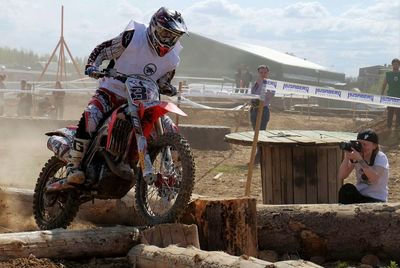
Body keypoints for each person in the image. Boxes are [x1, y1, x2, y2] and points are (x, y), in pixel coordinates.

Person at [48, 7, 187, 190]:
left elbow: (163, 80)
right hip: (112, 90)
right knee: (92, 115)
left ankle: (176, 178)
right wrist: (92, 66)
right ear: (154, 27)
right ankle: (74, 166)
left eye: (172, 36)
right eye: (164, 33)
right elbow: (103, 50)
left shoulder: (173, 58)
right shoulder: (133, 36)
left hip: (145, 99)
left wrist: (167, 87)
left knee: (170, 128)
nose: (167, 39)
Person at [338, 129, 389, 204]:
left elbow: (374, 179)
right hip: (361, 195)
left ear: (374, 146)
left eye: (365, 144)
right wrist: (347, 157)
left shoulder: (380, 157)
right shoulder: (358, 155)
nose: (362, 147)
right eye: (360, 144)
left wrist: (360, 159)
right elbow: (341, 176)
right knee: (346, 189)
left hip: (376, 198)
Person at [249, 65, 275, 164]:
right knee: (255, 133)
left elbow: (269, 96)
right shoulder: (256, 83)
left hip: (263, 110)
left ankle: (258, 157)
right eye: (261, 72)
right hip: (254, 110)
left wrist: (259, 99)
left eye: (265, 72)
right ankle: (259, 156)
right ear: (258, 73)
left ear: (268, 73)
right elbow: (252, 93)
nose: (263, 74)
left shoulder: (271, 84)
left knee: (261, 133)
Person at [381, 58, 400, 129]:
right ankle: (388, 128)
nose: (396, 66)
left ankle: (397, 129)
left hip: (399, 97)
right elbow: (384, 84)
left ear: (399, 65)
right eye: (394, 64)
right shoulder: (388, 74)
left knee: (398, 114)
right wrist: (381, 94)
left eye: (397, 64)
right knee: (390, 113)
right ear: (392, 65)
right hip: (390, 97)